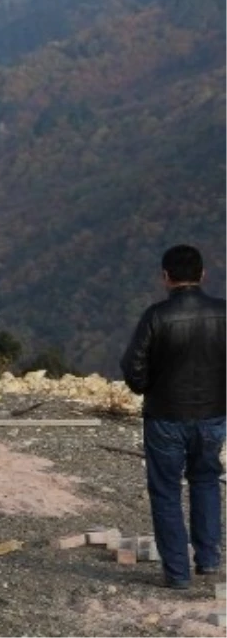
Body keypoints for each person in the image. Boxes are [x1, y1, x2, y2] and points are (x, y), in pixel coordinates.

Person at [121, 244, 227, 589]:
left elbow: (133, 367)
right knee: (207, 481)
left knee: (166, 492)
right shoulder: (223, 312)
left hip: (165, 415)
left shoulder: (156, 316)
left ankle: (178, 574)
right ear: (203, 275)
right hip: (213, 414)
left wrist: (148, 387)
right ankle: (209, 559)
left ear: (166, 277)